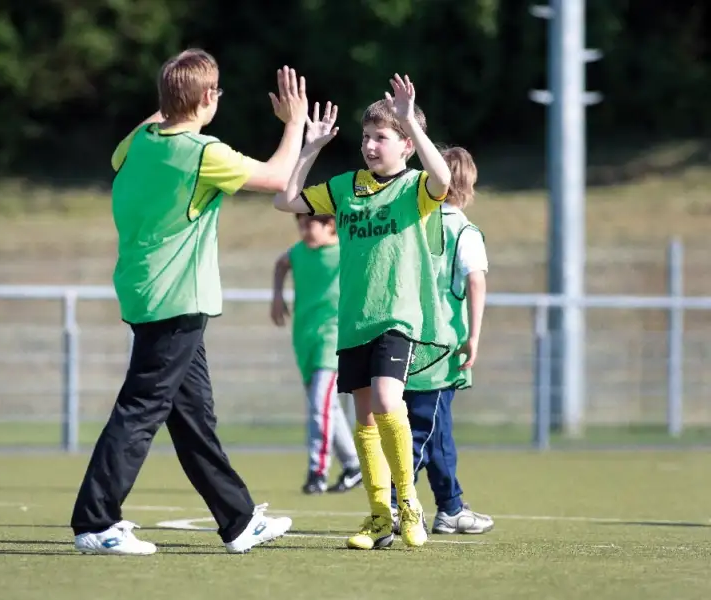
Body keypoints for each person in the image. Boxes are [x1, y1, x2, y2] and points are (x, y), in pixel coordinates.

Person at [70, 49, 317, 555]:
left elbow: (147, 131)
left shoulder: (139, 142)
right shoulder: (204, 152)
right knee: (141, 409)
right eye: (216, 92)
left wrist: (171, 97)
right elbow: (276, 178)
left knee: (193, 416)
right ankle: (95, 521)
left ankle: (238, 520)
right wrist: (294, 123)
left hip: (152, 295)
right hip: (175, 301)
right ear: (207, 98)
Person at [273, 76, 456, 550]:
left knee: (386, 402)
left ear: (406, 145)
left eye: (382, 137)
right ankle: (379, 515)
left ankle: (408, 503)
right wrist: (310, 147)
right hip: (353, 319)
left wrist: (412, 121)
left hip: (397, 317)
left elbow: (444, 180)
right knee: (364, 421)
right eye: (366, 137)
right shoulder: (346, 187)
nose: (370, 145)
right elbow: (285, 199)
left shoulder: (415, 187)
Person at [390, 146, 494, 535]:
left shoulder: (412, 224)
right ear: (468, 186)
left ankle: (450, 506)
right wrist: (474, 336)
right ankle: (393, 504)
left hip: (403, 337)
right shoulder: (462, 229)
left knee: (437, 427)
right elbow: (475, 280)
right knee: (422, 428)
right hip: (440, 342)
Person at [271, 213, 362, 495]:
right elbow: (281, 264)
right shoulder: (298, 252)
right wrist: (277, 295)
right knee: (326, 407)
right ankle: (354, 466)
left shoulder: (346, 250)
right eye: (300, 225)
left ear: (329, 225)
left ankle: (317, 471)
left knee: (319, 406)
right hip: (305, 340)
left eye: (309, 224)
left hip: (332, 339)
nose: (304, 231)